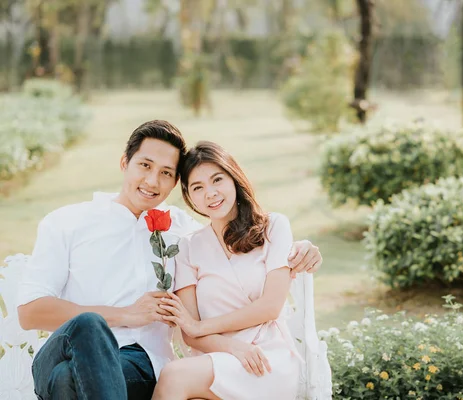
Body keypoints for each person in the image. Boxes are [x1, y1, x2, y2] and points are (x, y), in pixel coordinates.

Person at [16, 120, 323, 400]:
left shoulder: (180, 231)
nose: (152, 181)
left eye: (166, 173)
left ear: (177, 184)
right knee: (88, 328)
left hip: (136, 365)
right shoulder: (67, 221)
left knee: (66, 381)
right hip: (64, 350)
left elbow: (234, 239)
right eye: (145, 165)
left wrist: (300, 247)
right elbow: (30, 313)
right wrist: (125, 314)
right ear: (125, 163)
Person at [151, 141, 306, 400]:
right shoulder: (188, 247)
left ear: (233, 177)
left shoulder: (273, 227)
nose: (210, 193)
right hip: (218, 356)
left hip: (267, 357)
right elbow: (191, 334)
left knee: (174, 375)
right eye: (198, 188)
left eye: (217, 180)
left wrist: (201, 327)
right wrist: (232, 347)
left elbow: (270, 306)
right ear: (190, 196)